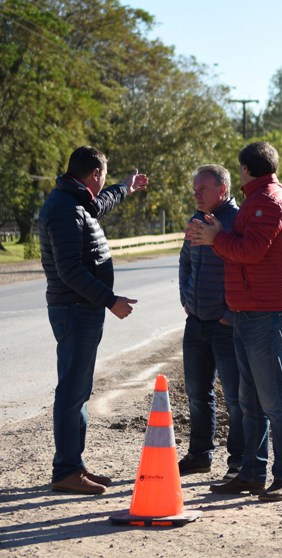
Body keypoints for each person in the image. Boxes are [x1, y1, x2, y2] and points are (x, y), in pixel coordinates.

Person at [186, 141, 282, 502]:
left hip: (265, 314)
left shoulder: (267, 201)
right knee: (250, 403)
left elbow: (250, 251)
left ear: (246, 170)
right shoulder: (257, 198)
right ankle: (251, 473)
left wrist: (217, 238)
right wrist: (221, 236)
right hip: (247, 312)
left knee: (273, 402)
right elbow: (244, 247)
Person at [38, 145, 148, 494]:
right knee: (72, 391)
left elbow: (100, 204)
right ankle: (66, 471)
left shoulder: (76, 200)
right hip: (75, 309)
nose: (103, 186)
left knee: (79, 390)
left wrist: (125, 188)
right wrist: (110, 300)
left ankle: (74, 465)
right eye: (103, 177)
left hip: (82, 308)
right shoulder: (65, 208)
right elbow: (69, 270)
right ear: (94, 175)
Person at [178, 164, 258, 481]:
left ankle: (237, 461)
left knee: (237, 399)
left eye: (203, 189)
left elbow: (245, 266)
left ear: (222, 190)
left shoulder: (236, 224)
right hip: (195, 322)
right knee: (198, 394)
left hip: (226, 324)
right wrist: (186, 298)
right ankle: (199, 456)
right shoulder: (196, 221)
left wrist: (229, 311)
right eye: (195, 189)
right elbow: (185, 261)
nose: (196, 195)